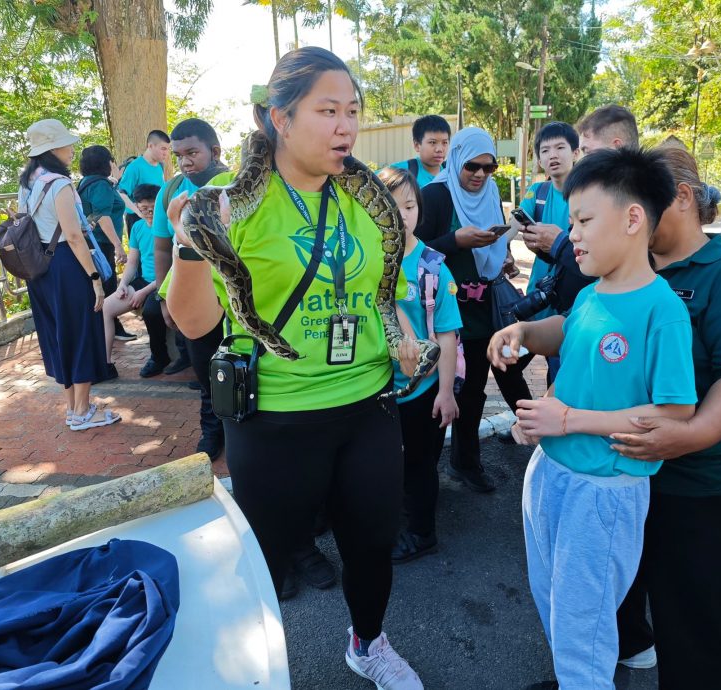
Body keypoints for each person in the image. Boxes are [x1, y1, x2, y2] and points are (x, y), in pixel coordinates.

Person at [165, 47, 424, 689]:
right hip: (275, 413)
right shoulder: (232, 203)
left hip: (367, 402)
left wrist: (405, 334)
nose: (346, 127)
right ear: (280, 118)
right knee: (264, 559)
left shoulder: (369, 198)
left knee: (370, 542)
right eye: (327, 111)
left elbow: (382, 288)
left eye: (354, 112)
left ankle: (368, 644)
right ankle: (242, 669)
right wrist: (192, 242)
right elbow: (194, 324)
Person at [490, 147, 696, 689]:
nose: (571, 233)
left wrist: (571, 420)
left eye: (582, 220)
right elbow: (568, 327)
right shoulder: (592, 291)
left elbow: (675, 411)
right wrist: (525, 333)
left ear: (633, 219)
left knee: (585, 627)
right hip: (552, 472)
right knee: (557, 603)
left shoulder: (663, 309)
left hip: (602, 491)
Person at [612, 147, 721, 689]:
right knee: (619, 596)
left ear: (681, 197)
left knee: (696, 620)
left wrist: (691, 435)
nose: (628, 222)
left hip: (697, 484)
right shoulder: (634, 267)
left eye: (639, 208)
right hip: (626, 475)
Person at [416, 126, 532, 493]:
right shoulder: (436, 196)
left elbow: (493, 244)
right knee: (439, 392)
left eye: (489, 167)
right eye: (472, 167)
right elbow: (414, 252)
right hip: (443, 314)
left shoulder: (490, 193)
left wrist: (505, 255)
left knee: (475, 390)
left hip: (484, 311)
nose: (480, 175)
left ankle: (466, 463)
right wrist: (455, 240)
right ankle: (421, 477)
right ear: (456, 162)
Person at [378, 167, 462, 564]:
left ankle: (422, 532)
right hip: (372, 386)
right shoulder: (364, 260)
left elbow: (447, 333)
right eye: (390, 207)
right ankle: (389, 520)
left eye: (409, 206)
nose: (401, 215)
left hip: (422, 389)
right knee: (380, 462)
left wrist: (445, 392)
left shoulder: (432, 266)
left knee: (419, 463)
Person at [19, 119, 120, 431]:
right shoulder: (59, 184)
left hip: (38, 269)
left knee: (59, 335)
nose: (71, 148)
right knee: (82, 331)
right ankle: (82, 412)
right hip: (66, 263)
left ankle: (73, 409)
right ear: (53, 148)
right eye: (67, 143)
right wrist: (95, 279)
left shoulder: (27, 183)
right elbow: (74, 237)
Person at [154, 118, 231, 458]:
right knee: (206, 372)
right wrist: (164, 297)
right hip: (196, 296)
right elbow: (165, 246)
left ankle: (239, 428)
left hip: (238, 299)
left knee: (242, 368)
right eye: (178, 155)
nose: (185, 162)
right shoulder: (171, 192)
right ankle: (212, 430)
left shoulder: (237, 185)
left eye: (192, 153)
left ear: (214, 151)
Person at [512, 121, 591, 385]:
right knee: (506, 362)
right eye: (545, 150)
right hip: (540, 294)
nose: (553, 155)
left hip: (573, 296)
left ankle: (551, 418)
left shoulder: (590, 194)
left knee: (560, 367)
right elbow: (511, 228)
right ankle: (528, 418)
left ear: (576, 153)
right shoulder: (539, 191)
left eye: (560, 147)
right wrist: (502, 253)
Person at [101, 184, 169, 379]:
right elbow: (132, 262)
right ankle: (105, 364)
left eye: (152, 208)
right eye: (142, 208)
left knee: (150, 311)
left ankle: (159, 357)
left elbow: (173, 268)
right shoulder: (138, 227)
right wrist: (122, 284)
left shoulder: (169, 225)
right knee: (106, 307)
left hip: (165, 281)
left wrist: (144, 292)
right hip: (144, 280)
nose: (148, 213)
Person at [77, 145, 130, 350]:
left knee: (102, 286)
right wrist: (119, 245)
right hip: (101, 243)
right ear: (106, 162)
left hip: (91, 242)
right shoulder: (100, 185)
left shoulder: (86, 182)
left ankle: (106, 328)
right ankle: (113, 327)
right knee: (108, 286)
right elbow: (102, 216)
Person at [117, 130, 170, 234]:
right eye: (163, 149)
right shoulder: (134, 167)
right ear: (150, 146)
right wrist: (140, 213)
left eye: (168, 149)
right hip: (137, 219)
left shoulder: (160, 166)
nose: (166, 153)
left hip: (157, 217)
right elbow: (121, 194)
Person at [391, 115, 451, 187]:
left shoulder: (451, 173)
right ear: (417, 145)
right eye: (432, 142)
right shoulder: (402, 171)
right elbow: (374, 179)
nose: (439, 149)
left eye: (444, 143)